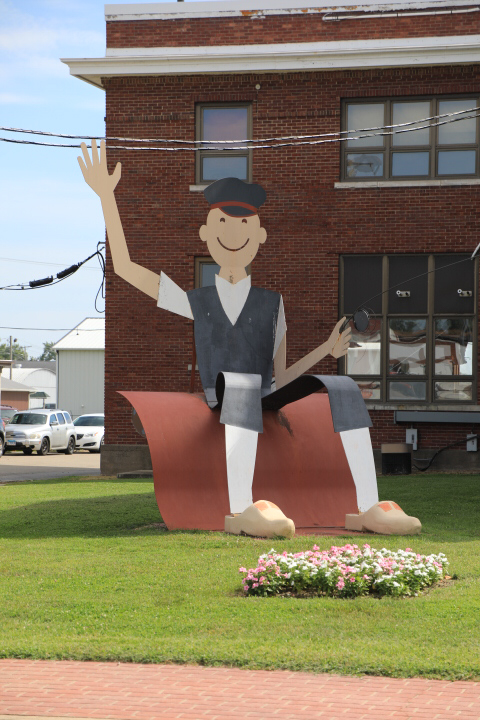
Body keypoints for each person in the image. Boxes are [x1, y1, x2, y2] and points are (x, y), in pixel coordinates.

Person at [78, 140, 379, 518]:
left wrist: (327, 350)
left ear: (260, 235)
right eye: (223, 222)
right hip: (222, 394)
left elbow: (283, 376)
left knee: (345, 388)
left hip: (264, 393)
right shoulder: (195, 300)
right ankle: (242, 509)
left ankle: (370, 506)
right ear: (205, 233)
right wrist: (107, 197)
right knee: (241, 386)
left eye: (244, 224)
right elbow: (125, 268)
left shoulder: (273, 303)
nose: (234, 233)